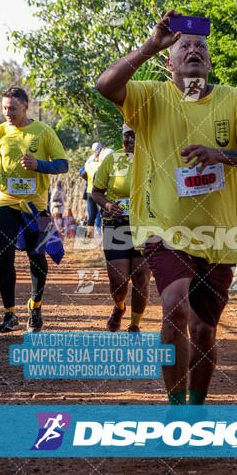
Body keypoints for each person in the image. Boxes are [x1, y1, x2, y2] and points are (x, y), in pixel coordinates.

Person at [96, 9, 237, 405]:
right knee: (174, 309)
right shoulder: (151, 96)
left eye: (200, 47)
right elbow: (105, 85)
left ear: (208, 61)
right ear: (170, 61)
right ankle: (176, 411)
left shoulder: (230, 99)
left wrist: (219, 154)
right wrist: (148, 45)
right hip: (163, 227)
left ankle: (196, 407)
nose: (193, 50)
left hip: (217, 234)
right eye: (184, 46)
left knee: (204, 331)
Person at [0, 87, 68, 332]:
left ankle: (35, 305)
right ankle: (10, 314)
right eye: (4, 108)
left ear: (25, 106)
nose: (7, 113)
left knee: (38, 259)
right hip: (5, 202)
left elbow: (62, 165)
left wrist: (38, 164)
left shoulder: (44, 132)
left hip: (38, 207)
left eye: (12, 108)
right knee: (5, 257)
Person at [92, 124, 150, 333]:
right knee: (118, 280)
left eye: (136, 135)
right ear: (122, 136)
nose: (131, 140)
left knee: (141, 277)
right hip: (115, 225)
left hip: (144, 226)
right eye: (127, 135)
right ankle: (119, 307)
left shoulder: (153, 158)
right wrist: (107, 205)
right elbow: (96, 191)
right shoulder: (111, 159)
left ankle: (135, 325)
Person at [79, 142, 102, 237]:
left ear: (92, 151)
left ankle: (89, 234)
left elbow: (82, 173)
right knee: (100, 214)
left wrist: (89, 180)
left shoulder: (89, 163)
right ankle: (100, 234)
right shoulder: (102, 163)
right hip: (99, 192)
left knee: (91, 215)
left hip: (89, 191)